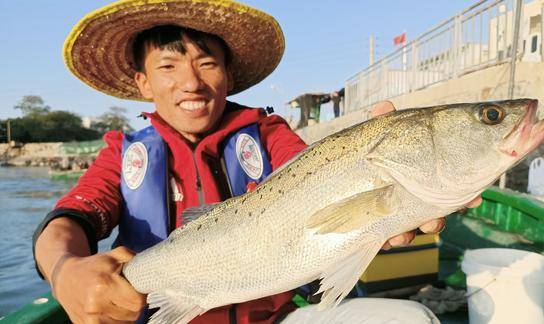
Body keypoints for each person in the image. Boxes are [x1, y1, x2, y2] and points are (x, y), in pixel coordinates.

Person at [33, 1, 481, 323]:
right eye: (168, 67)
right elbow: (70, 219)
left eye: (207, 63)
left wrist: (383, 171)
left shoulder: (268, 134)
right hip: (164, 313)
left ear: (228, 74)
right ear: (142, 81)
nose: (191, 82)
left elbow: (317, 173)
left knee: (410, 319)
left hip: (272, 318)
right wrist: (63, 270)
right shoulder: (121, 151)